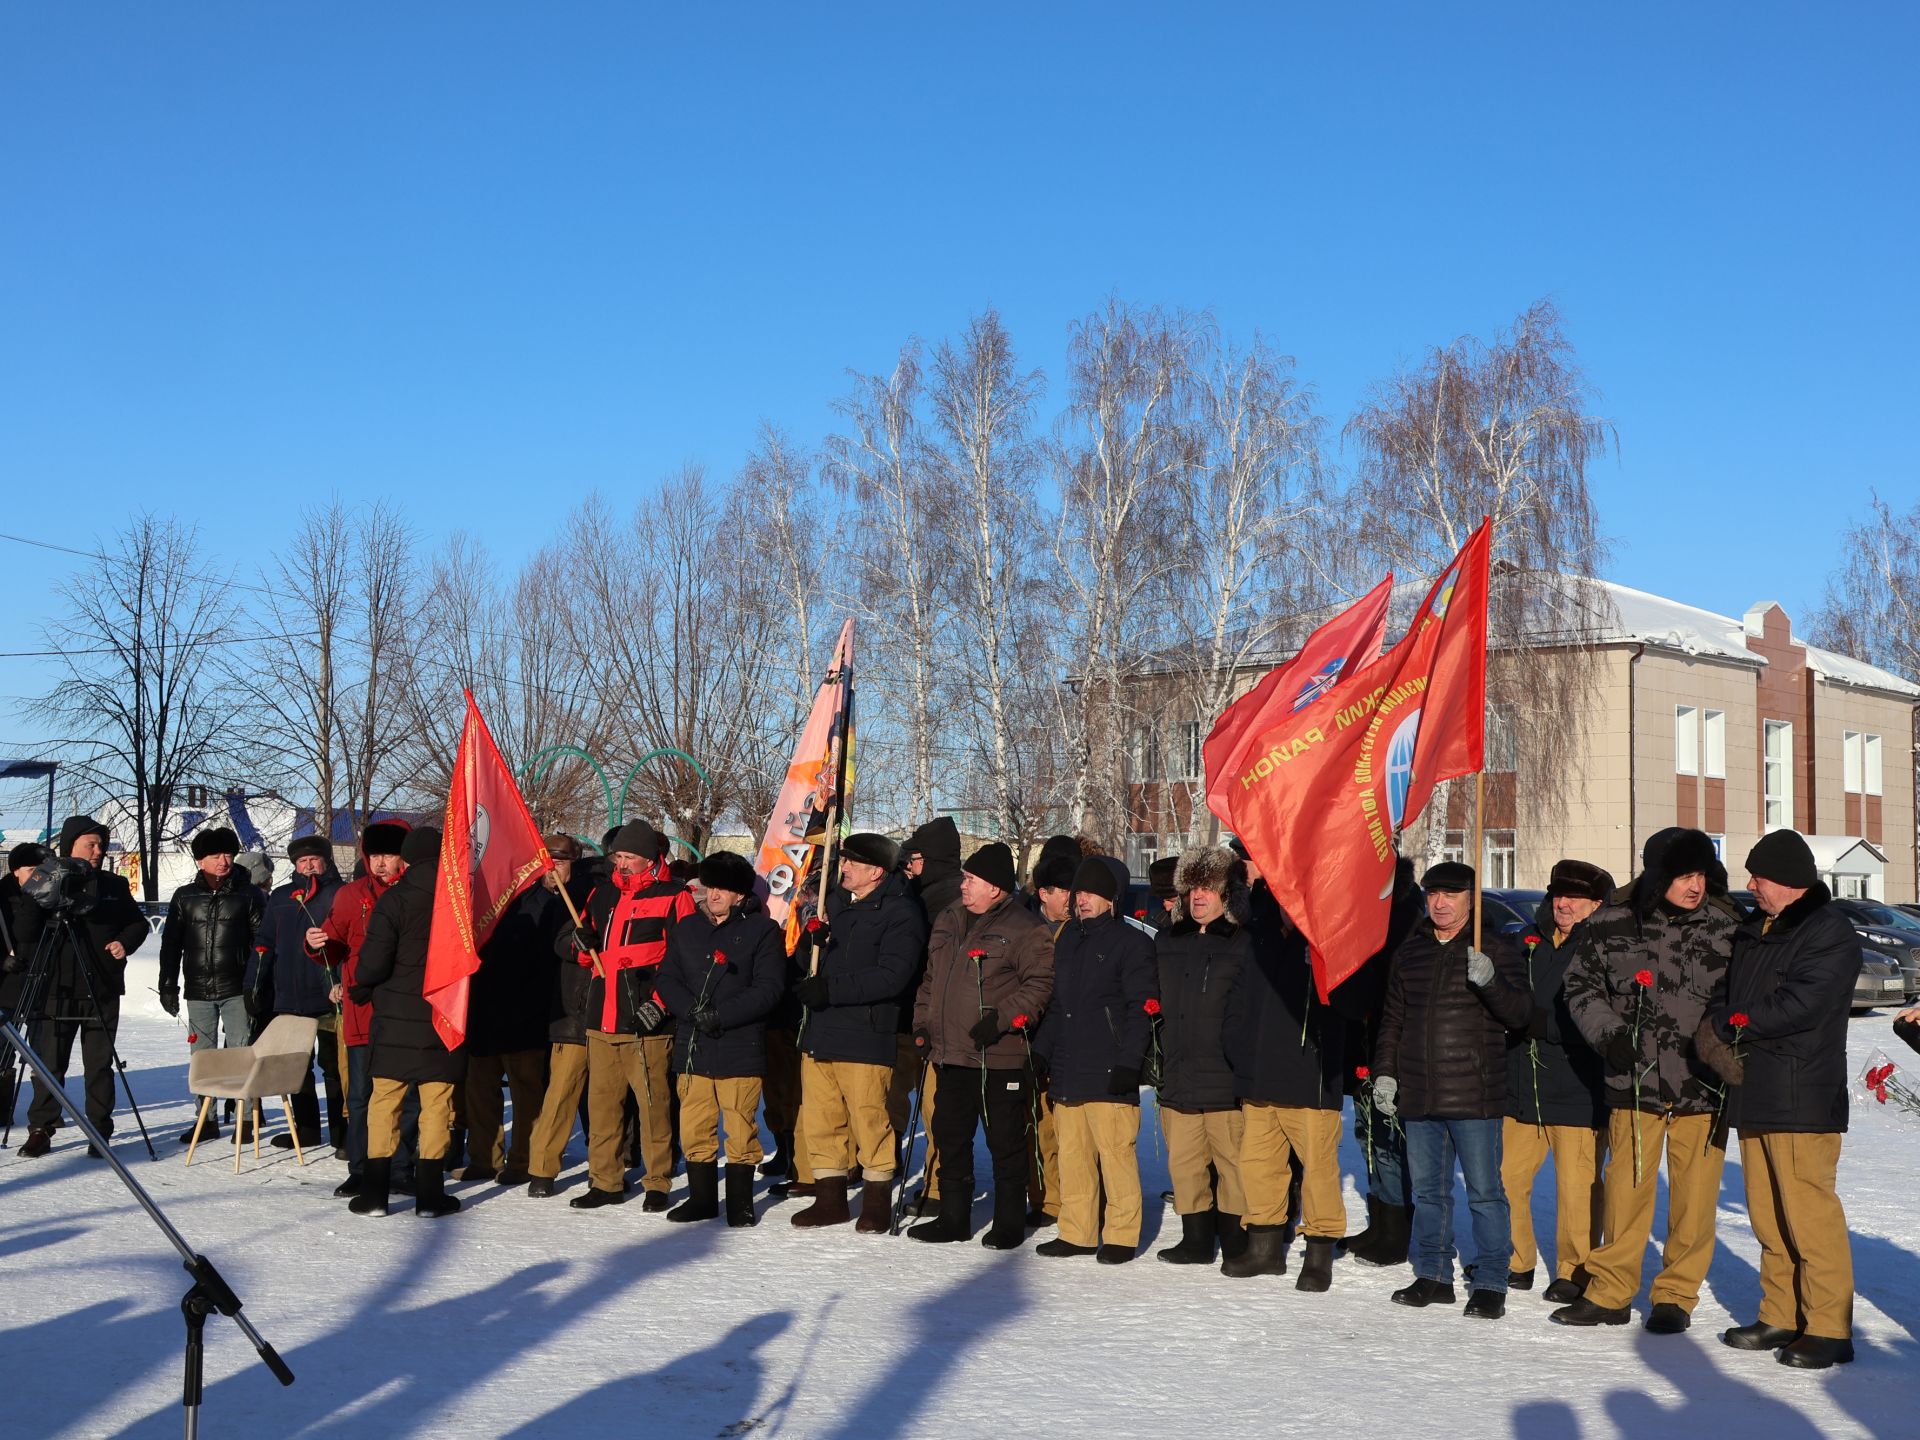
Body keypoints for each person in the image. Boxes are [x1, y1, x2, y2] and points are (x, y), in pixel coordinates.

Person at [1556, 827, 1741, 1332]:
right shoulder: (1611, 923)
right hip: (1634, 1085)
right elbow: (1580, 986)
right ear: (1659, 875)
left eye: (1701, 874)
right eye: (1684, 875)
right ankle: (1612, 1292)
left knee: (1695, 1204)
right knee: (1625, 1194)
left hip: (1703, 1089)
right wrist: (1608, 1034)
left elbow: (1744, 1002)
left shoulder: (1728, 930)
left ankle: (1675, 1297)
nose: (1695, 886)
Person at [1708, 830, 1862, 1369]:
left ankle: (1827, 1326)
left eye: (1760, 878)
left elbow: (1801, 1003)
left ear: (1793, 883)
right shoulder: (1756, 928)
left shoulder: (1829, 931)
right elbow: (1733, 995)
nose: (1751, 887)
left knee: (1809, 1216)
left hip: (1803, 1093)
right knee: (1768, 1216)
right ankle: (1780, 1313)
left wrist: (1731, 1024)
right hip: (1756, 1089)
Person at [1373, 862, 1532, 1319]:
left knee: (1484, 1192)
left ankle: (1491, 1281)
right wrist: (1386, 1072)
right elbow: (1393, 1022)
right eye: (1433, 895)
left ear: (1471, 900)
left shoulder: (1494, 950)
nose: (1440, 903)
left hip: (1474, 1094)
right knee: (1428, 1193)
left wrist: (1491, 982)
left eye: (1451, 895)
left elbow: (1520, 1013)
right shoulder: (1411, 953)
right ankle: (1435, 1275)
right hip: (1420, 1094)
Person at [1221, 853, 1359, 1290]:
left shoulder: (1329, 941)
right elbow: (1238, 999)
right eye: (1280, 894)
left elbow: (1353, 1003)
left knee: (1318, 1170)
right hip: (1259, 1075)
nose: (1286, 902)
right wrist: (1238, 1048)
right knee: (1257, 1164)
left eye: (1294, 895)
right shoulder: (1256, 935)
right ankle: (1263, 1249)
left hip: (1311, 1076)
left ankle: (1319, 1252)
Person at [909, 841, 1053, 1246]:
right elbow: (931, 981)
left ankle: (1008, 1221)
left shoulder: (1026, 929)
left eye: (971, 880)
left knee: (1006, 1142)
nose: (963, 886)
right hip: (949, 1054)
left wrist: (1001, 1019)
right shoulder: (949, 919)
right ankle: (953, 1217)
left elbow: (1040, 986)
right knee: (950, 1136)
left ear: (994, 887)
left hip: (999, 1056)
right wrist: (923, 1026)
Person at [792, 832, 924, 1230]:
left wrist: (830, 990)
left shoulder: (902, 913)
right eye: (843, 860)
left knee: (870, 1119)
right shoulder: (834, 903)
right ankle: (830, 1198)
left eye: (851, 862)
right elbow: (809, 962)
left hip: (867, 1035)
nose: (842, 867)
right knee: (821, 1118)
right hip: (822, 1031)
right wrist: (810, 942)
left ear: (876, 872)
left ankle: (877, 1201)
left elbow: (892, 977)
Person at [562, 819, 695, 1212]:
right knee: (602, 1107)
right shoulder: (600, 896)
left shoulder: (675, 896)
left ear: (649, 859)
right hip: (601, 1019)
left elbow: (684, 960)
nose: (621, 863)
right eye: (618, 856)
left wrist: (658, 1004)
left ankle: (658, 1181)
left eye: (630, 857)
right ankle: (605, 1180)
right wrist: (581, 944)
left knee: (653, 1106)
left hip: (646, 1024)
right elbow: (587, 957)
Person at [1500, 858, 1614, 1304]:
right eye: (1558, 895)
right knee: (1508, 1178)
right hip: (1524, 1086)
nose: (1563, 904)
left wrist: (1539, 1023)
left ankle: (1576, 1269)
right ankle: (1516, 1258)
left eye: (1574, 898)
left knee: (1577, 1188)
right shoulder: (1531, 942)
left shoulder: (1606, 947)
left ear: (1597, 904)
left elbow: (1605, 1018)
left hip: (1580, 1088)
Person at [1033, 855, 1156, 1262]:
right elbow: (1056, 1005)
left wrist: (1128, 1062)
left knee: (1115, 1157)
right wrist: (1041, 1054)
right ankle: (1078, 1231)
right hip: (1069, 1067)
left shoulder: (1132, 943)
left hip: (1109, 1069)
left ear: (1112, 899)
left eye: (1093, 893)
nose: (1082, 900)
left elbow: (1142, 1009)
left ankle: (1121, 1234)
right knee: (1073, 1158)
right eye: (1079, 892)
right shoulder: (1067, 939)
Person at [655, 851, 784, 1226]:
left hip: (739, 1043)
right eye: (711, 887)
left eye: (723, 889)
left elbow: (769, 988)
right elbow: (667, 977)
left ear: (740, 895)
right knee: (695, 1123)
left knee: (741, 1124)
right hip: (693, 1042)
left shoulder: (763, 931)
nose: (713, 895)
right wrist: (689, 1011)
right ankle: (702, 1199)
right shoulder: (687, 929)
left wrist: (722, 1015)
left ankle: (740, 1202)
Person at [10, 817, 147, 1157]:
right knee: (47, 1064)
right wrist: (37, 893)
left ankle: (99, 1131)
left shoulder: (113, 885)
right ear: (70, 845)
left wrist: (123, 943)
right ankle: (42, 1128)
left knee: (99, 1065)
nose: (98, 851)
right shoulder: (48, 880)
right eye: (91, 844)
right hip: (53, 988)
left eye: (101, 845)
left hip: (100, 986)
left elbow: (138, 923)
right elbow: (24, 933)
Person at [348, 827, 463, 1218]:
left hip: (395, 1019)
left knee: (384, 1102)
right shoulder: (459, 904)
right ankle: (430, 1196)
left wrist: (363, 987)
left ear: (407, 860)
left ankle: (374, 1194)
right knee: (437, 1106)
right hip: (444, 1016)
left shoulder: (394, 900)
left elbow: (373, 964)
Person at [1152, 844, 1252, 1266]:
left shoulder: (1245, 942)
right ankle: (1194, 1239)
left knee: (1233, 1166)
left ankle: (1235, 1239)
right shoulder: (1168, 940)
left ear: (1227, 894)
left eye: (1208, 888)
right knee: (1185, 1164)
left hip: (1225, 1077)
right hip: (1178, 1073)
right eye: (1192, 888)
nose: (1198, 897)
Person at [311, 820, 414, 1198]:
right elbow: (333, 942)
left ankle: (401, 1167)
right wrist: (318, 942)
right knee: (360, 1095)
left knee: (407, 1096)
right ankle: (361, 1168)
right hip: (361, 1011)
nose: (381, 863)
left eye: (389, 854)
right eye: (374, 856)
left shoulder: (419, 894)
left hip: (406, 1012)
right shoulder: (351, 895)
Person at [159, 827, 263, 1143]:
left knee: (242, 1054)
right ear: (201, 860)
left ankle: (246, 1120)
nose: (224, 861)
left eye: (229, 854)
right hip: (198, 991)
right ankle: (206, 1120)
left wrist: (255, 985)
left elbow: (262, 944)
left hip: (236, 990)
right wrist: (167, 984)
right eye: (216, 855)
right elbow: (171, 944)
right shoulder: (184, 897)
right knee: (203, 1058)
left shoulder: (249, 895)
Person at [245, 834, 345, 1152]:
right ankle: (306, 1130)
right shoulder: (282, 896)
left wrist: (340, 982)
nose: (308, 865)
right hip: (289, 997)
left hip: (329, 997)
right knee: (297, 1067)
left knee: (334, 1067)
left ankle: (343, 1133)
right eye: (302, 861)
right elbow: (264, 942)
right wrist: (254, 984)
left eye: (314, 860)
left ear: (326, 861)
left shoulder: (340, 894)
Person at [463, 876, 558, 1185]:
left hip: (525, 1017)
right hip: (482, 1013)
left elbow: (549, 964)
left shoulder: (546, 904)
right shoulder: (478, 901)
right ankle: (483, 1159)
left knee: (526, 1094)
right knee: (479, 1092)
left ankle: (523, 1160)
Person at [894, 817, 962, 1217]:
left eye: (915, 858)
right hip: (912, 1017)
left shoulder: (947, 903)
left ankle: (937, 1186)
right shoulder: (921, 895)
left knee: (937, 1109)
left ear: (932, 860)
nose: (909, 865)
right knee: (905, 1100)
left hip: (935, 1023)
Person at [523, 835, 597, 1198]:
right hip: (549, 1010)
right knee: (557, 1094)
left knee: (601, 1098)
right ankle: (542, 1167)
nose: (553, 871)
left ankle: (610, 1165)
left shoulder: (589, 896)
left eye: (561, 863)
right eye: (547, 864)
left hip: (585, 1008)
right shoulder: (527, 901)